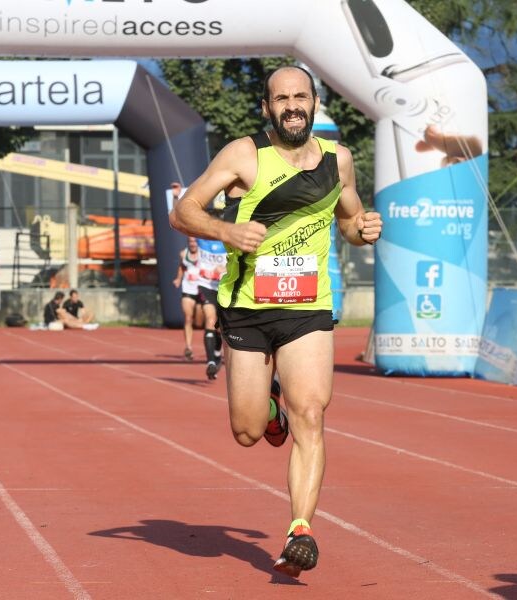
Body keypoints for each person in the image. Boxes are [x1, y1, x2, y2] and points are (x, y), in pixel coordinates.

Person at [169, 65, 383, 577]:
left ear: (314, 103)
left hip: (308, 307)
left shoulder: (339, 160)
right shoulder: (245, 154)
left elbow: (349, 220)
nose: (291, 106)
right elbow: (183, 211)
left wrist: (362, 228)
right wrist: (226, 230)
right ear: (267, 108)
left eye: (300, 97)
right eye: (281, 98)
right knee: (246, 432)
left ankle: (300, 531)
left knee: (312, 413)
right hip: (247, 307)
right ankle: (269, 410)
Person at [196, 235, 227, 379]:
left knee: (219, 326)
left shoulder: (228, 238)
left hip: (223, 286)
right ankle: (210, 363)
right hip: (205, 285)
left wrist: (225, 268)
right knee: (210, 319)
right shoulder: (201, 239)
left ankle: (216, 354)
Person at [172, 237, 203, 360]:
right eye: (190, 242)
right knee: (188, 318)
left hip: (201, 289)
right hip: (188, 289)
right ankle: (188, 347)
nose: (192, 244)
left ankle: (212, 347)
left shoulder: (204, 254)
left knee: (200, 322)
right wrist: (178, 279)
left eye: (195, 242)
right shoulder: (183, 254)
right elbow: (182, 267)